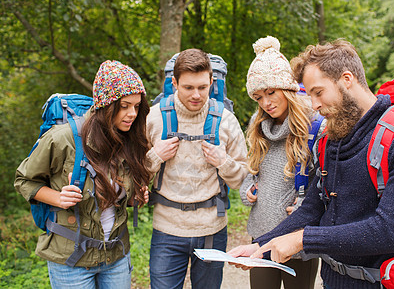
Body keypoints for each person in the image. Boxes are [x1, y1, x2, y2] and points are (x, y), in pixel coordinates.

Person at [228, 39, 394, 288]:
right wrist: (260, 245)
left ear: (346, 79)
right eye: (310, 95)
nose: (314, 104)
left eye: (318, 92)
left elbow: (388, 231)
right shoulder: (331, 139)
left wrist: (302, 241)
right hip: (332, 280)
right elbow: (312, 209)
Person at [15, 60, 151, 289]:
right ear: (106, 105)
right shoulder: (62, 139)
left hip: (116, 256)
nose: (132, 114)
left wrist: (136, 196)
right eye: (125, 106)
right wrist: (58, 197)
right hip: (72, 261)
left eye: (137, 107)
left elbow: (119, 197)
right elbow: (24, 180)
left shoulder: (130, 139)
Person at [146, 48, 248, 289]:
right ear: (174, 83)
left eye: (202, 87)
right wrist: (155, 156)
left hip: (212, 229)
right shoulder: (154, 118)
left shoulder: (225, 120)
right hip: (167, 230)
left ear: (212, 82)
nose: (196, 95)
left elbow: (243, 178)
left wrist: (223, 162)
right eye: (188, 87)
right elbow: (131, 173)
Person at [240, 36, 320, 289]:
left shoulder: (314, 125)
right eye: (259, 96)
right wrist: (247, 188)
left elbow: (325, 181)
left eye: (271, 92)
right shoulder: (258, 126)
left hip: (296, 235)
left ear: (287, 89)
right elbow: (250, 171)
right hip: (261, 234)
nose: (266, 103)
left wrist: (305, 205)